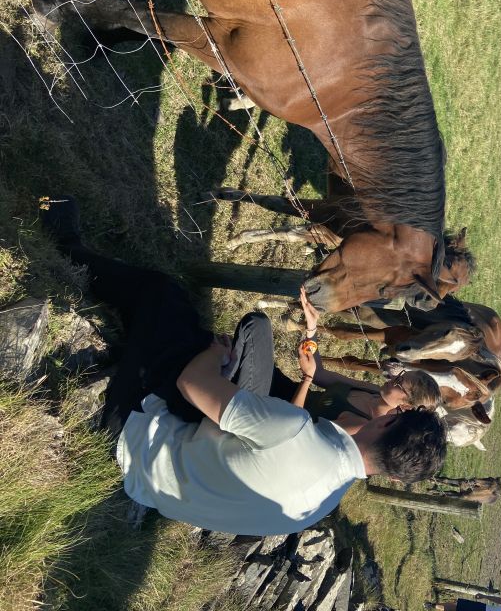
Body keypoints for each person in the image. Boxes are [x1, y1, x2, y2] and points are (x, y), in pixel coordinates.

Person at [41, 196, 447, 536]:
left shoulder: (295, 430)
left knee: (161, 295)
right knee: (185, 330)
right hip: (150, 486)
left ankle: (68, 246)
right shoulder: (318, 509)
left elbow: (190, 382)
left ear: (389, 422)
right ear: (392, 477)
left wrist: (216, 358)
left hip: (133, 434)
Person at [273, 288, 442, 435]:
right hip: (284, 390)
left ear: (406, 407)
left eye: (398, 382)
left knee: (254, 326)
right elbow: (320, 374)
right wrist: (312, 328)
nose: (391, 378)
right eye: (400, 375)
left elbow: (298, 432)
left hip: (275, 416)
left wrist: (307, 379)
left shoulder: (362, 426)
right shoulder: (374, 392)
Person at [424, 596, 501, 611]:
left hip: (484, 608)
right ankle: (431, 605)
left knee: (457, 606)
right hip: (484, 608)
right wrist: (485, 596)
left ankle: (431, 605)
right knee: (457, 606)